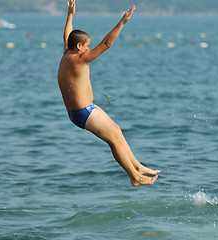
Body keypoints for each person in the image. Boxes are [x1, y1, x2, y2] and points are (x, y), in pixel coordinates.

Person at [57, 0, 160, 187]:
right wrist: (122, 23)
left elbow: (67, 35)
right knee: (113, 139)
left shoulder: (67, 53)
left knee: (116, 130)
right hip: (83, 112)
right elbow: (106, 43)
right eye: (87, 46)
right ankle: (134, 177)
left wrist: (70, 14)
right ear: (79, 46)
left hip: (84, 110)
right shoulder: (79, 60)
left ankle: (137, 166)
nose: (89, 49)